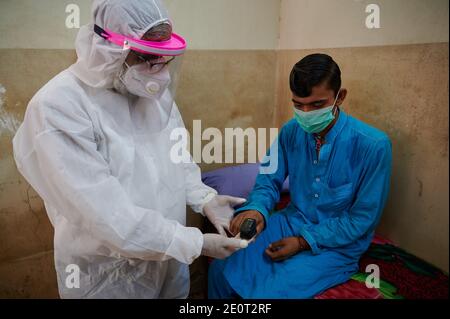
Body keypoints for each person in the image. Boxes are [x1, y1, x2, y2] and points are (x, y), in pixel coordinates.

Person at [12, 0, 247, 299]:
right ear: (110, 48)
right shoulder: (59, 107)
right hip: (108, 277)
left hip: (168, 265)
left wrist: (206, 199)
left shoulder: (155, 97)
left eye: (164, 57)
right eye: (149, 57)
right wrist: (195, 243)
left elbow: (177, 160)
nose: (159, 71)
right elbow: (106, 215)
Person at [208, 53, 392, 299]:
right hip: (289, 221)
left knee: (271, 293)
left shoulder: (373, 146)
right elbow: (268, 180)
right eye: (298, 104)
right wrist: (257, 210)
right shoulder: (290, 132)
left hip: (337, 244)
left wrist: (303, 241)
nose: (306, 113)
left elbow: (361, 219)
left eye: (317, 105)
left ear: (340, 97)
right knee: (222, 267)